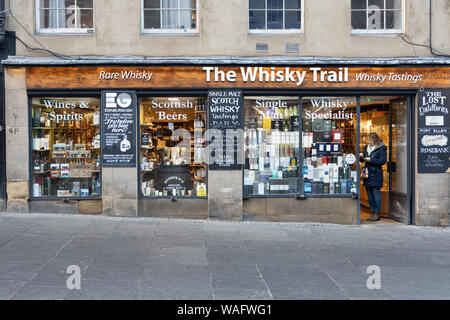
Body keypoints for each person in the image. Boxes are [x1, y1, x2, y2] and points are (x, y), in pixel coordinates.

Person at [360, 132, 387, 222]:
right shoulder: (366, 148)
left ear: (375, 140)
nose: (368, 141)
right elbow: (364, 160)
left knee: (376, 193)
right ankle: (372, 212)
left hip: (376, 173)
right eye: (368, 139)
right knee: (369, 194)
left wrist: (371, 160)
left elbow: (383, 161)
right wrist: (361, 157)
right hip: (367, 173)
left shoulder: (381, 148)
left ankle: (377, 213)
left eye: (370, 140)